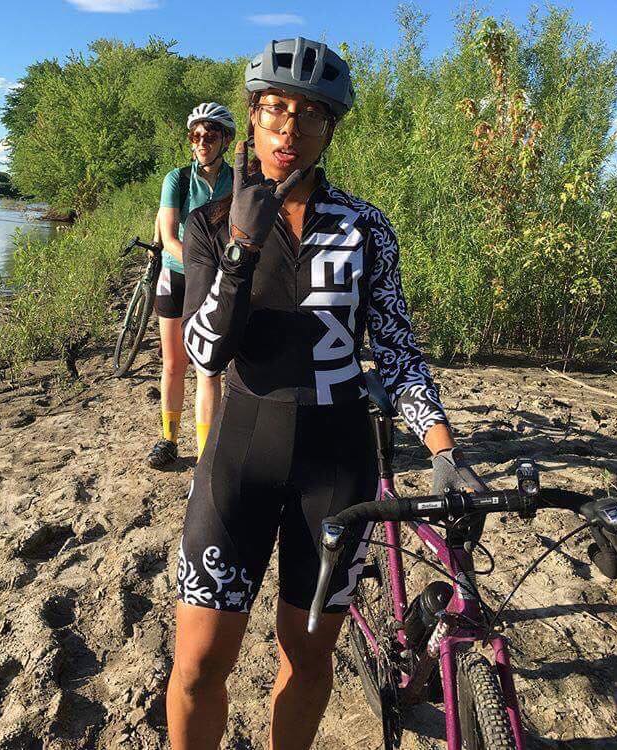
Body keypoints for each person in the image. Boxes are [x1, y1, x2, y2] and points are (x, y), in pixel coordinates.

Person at [166, 38, 487, 749]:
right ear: (252, 118)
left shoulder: (366, 228)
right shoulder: (210, 226)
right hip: (239, 460)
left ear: (330, 129)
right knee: (197, 664)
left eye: (310, 115)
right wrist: (245, 249)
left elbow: (398, 352)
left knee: (308, 657)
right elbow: (203, 353)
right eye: (276, 109)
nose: (290, 128)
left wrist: (443, 449)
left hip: (336, 469)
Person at [147, 103, 235, 469]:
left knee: (208, 368)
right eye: (195, 136)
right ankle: (167, 438)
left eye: (210, 135)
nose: (201, 142)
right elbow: (168, 236)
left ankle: (205, 454)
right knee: (173, 365)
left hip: (218, 279)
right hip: (178, 274)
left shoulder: (240, 179)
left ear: (225, 140)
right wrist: (205, 269)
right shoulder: (178, 179)